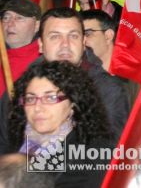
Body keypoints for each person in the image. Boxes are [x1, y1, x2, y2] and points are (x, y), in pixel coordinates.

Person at [0, 8, 130, 154]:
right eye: (55, 37)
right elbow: (4, 144)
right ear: (41, 45)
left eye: (73, 36)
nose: (65, 44)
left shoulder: (106, 89)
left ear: (83, 42)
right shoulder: (23, 86)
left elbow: (108, 154)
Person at [8, 61, 114, 187]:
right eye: (30, 99)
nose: (37, 108)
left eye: (50, 98)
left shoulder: (93, 154)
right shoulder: (20, 143)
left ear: (73, 104)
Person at [0, 0, 41, 96]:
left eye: (19, 18)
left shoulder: (43, 62)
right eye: (6, 18)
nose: (10, 24)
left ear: (36, 25)